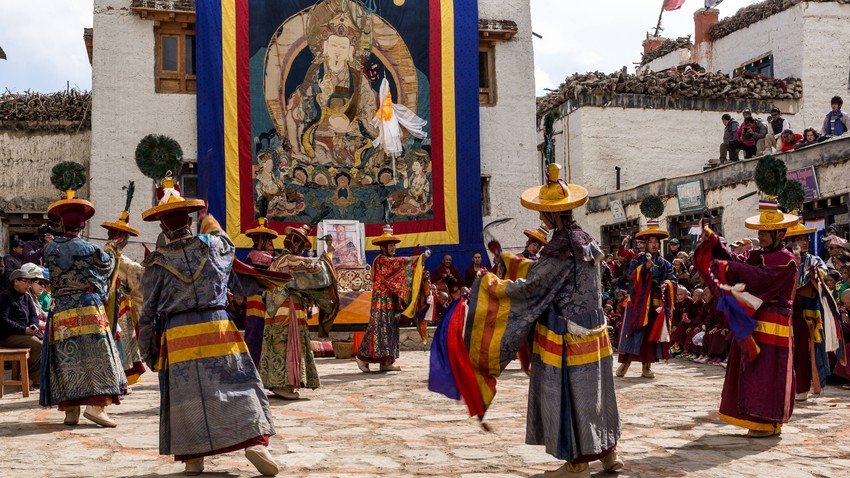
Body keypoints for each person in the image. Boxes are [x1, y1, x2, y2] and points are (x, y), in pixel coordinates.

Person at [430, 163, 622, 477]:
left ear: (551, 216)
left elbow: (533, 288)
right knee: (596, 395)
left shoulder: (561, 250)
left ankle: (576, 464)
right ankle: (609, 455)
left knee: (572, 396)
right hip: (595, 330)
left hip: (567, 335)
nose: (541, 219)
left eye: (543, 214)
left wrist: (488, 286)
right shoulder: (586, 241)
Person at [138, 176, 279, 476]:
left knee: (187, 395)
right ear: (189, 221)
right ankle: (255, 442)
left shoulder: (156, 262)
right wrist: (210, 221)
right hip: (217, 326)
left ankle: (193, 457)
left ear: (162, 227)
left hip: (178, 335)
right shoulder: (215, 247)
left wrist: (148, 350)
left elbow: (147, 311)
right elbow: (228, 247)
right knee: (237, 383)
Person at [692, 198, 799, 437]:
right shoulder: (756, 255)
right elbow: (737, 263)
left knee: (768, 373)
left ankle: (767, 421)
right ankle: (753, 418)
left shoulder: (786, 261)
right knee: (750, 372)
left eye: (767, 232)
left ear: (780, 234)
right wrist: (717, 245)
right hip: (754, 323)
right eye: (760, 231)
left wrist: (731, 268)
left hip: (774, 326)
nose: (761, 236)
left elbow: (761, 279)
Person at [40, 179, 126, 428]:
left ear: (60, 222)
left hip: (61, 310)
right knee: (99, 357)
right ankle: (97, 407)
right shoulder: (90, 249)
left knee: (67, 359)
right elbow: (107, 268)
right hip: (88, 308)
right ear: (84, 224)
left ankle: (70, 410)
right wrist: (113, 246)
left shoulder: (49, 249)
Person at [260, 222, 338, 399]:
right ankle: (285, 383)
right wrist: (329, 254)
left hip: (275, 312)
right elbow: (319, 272)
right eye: (301, 246)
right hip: (289, 311)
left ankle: (276, 381)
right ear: (295, 244)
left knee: (277, 344)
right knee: (288, 343)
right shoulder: (292, 261)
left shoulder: (277, 262)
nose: (302, 251)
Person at [356, 224, 430, 372]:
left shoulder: (388, 260)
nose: (393, 248)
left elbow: (399, 272)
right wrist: (419, 258)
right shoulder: (382, 260)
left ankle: (386, 362)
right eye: (390, 245)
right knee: (377, 329)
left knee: (390, 330)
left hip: (391, 301)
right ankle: (361, 356)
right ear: (383, 247)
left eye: (394, 246)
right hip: (381, 302)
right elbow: (402, 264)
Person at [617, 219, 677, 379]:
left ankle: (647, 366)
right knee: (633, 332)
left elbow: (672, 278)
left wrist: (667, 284)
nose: (654, 245)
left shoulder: (665, 263)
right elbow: (629, 275)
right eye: (650, 242)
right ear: (646, 243)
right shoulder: (638, 258)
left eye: (656, 242)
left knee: (650, 335)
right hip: (637, 302)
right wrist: (643, 268)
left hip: (655, 303)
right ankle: (625, 363)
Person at [785, 223, 837, 401]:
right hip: (789, 311)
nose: (804, 242)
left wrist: (814, 274)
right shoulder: (785, 261)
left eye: (805, 239)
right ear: (791, 242)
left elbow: (823, 274)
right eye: (799, 239)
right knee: (789, 348)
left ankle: (804, 388)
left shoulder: (814, 260)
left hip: (810, 310)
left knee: (809, 350)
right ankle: (788, 386)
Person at [100, 189, 147, 386]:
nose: (126, 240)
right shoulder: (111, 254)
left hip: (122, 307)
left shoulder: (116, 256)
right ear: (120, 237)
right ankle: (116, 380)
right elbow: (136, 274)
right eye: (124, 236)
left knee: (125, 345)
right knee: (118, 343)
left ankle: (120, 380)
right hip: (113, 307)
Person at [244, 217, 279, 367]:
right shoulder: (259, 258)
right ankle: (257, 365)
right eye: (267, 241)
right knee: (257, 331)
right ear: (262, 240)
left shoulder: (251, 257)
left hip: (258, 298)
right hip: (259, 299)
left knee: (256, 332)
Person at [0, 268, 43, 388]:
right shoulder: (5, 296)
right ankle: (31, 377)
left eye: (30, 282)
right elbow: (3, 320)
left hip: (24, 332)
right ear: (15, 281)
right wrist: (23, 330)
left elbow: (33, 316)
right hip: (7, 335)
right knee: (36, 344)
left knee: (44, 342)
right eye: (26, 281)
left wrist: (33, 326)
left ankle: (30, 376)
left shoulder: (27, 297)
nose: (29, 285)